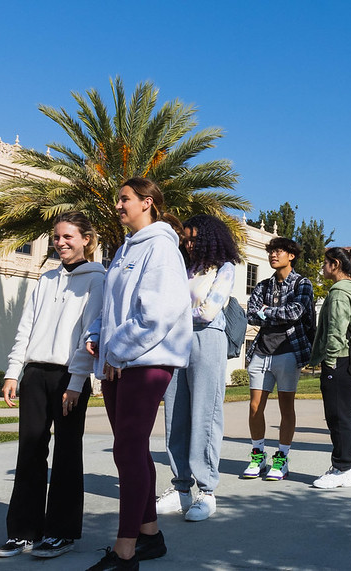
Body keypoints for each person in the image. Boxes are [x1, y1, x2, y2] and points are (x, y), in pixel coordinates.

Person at [85, 177, 192, 570]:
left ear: (147, 203)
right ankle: (149, 535)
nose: (117, 205)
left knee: (127, 450)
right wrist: (97, 335)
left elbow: (157, 313)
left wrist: (117, 349)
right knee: (131, 449)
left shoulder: (161, 248)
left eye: (124, 199)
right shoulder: (126, 249)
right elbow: (113, 306)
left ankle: (125, 551)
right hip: (120, 363)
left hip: (147, 363)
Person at [0, 212, 104, 560]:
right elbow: (26, 326)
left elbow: (91, 332)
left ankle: (61, 531)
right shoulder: (45, 279)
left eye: (68, 237)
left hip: (69, 377)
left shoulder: (97, 279)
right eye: (56, 237)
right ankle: (22, 532)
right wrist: (14, 371)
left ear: (86, 239)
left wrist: (76, 380)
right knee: (29, 451)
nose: (60, 243)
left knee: (67, 453)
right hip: (35, 375)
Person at [156, 214, 240, 523]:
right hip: (177, 342)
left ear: (210, 238)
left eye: (194, 239)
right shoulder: (184, 268)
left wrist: (174, 315)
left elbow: (207, 312)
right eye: (186, 239)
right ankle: (180, 489)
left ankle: (206, 492)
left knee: (205, 414)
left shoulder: (225, 270)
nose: (188, 244)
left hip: (207, 341)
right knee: (175, 413)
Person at [241, 237, 315, 480]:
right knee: (254, 407)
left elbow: (295, 312)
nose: (273, 255)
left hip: (288, 351)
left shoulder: (302, 284)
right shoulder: (262, 286)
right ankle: (258, 454)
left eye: (279, 251)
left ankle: (281, 458)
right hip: (261, 350)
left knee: (286, 407)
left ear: (291, 255)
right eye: (271, 251)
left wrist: (266, 312)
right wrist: (268, 314)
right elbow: (250, 314)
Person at [310, 247, 351, 488]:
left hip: (342, 359)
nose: (323, 267)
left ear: (335, 264)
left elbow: (336, 330)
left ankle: (342, 467)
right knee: (344, 415)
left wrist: (330, 362)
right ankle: (345, 467)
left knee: (338, 415)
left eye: (325, 263)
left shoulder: (339, 293)